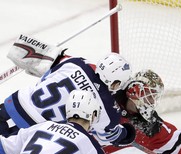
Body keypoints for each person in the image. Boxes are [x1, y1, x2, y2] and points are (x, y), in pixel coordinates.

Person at [1, 34, 135, 147]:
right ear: (116, 83)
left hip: (13, 103)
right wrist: (127, 133)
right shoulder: (109, 111)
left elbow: (47, 74)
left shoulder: (76, 63)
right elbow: (108, 138)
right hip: (33, 132)